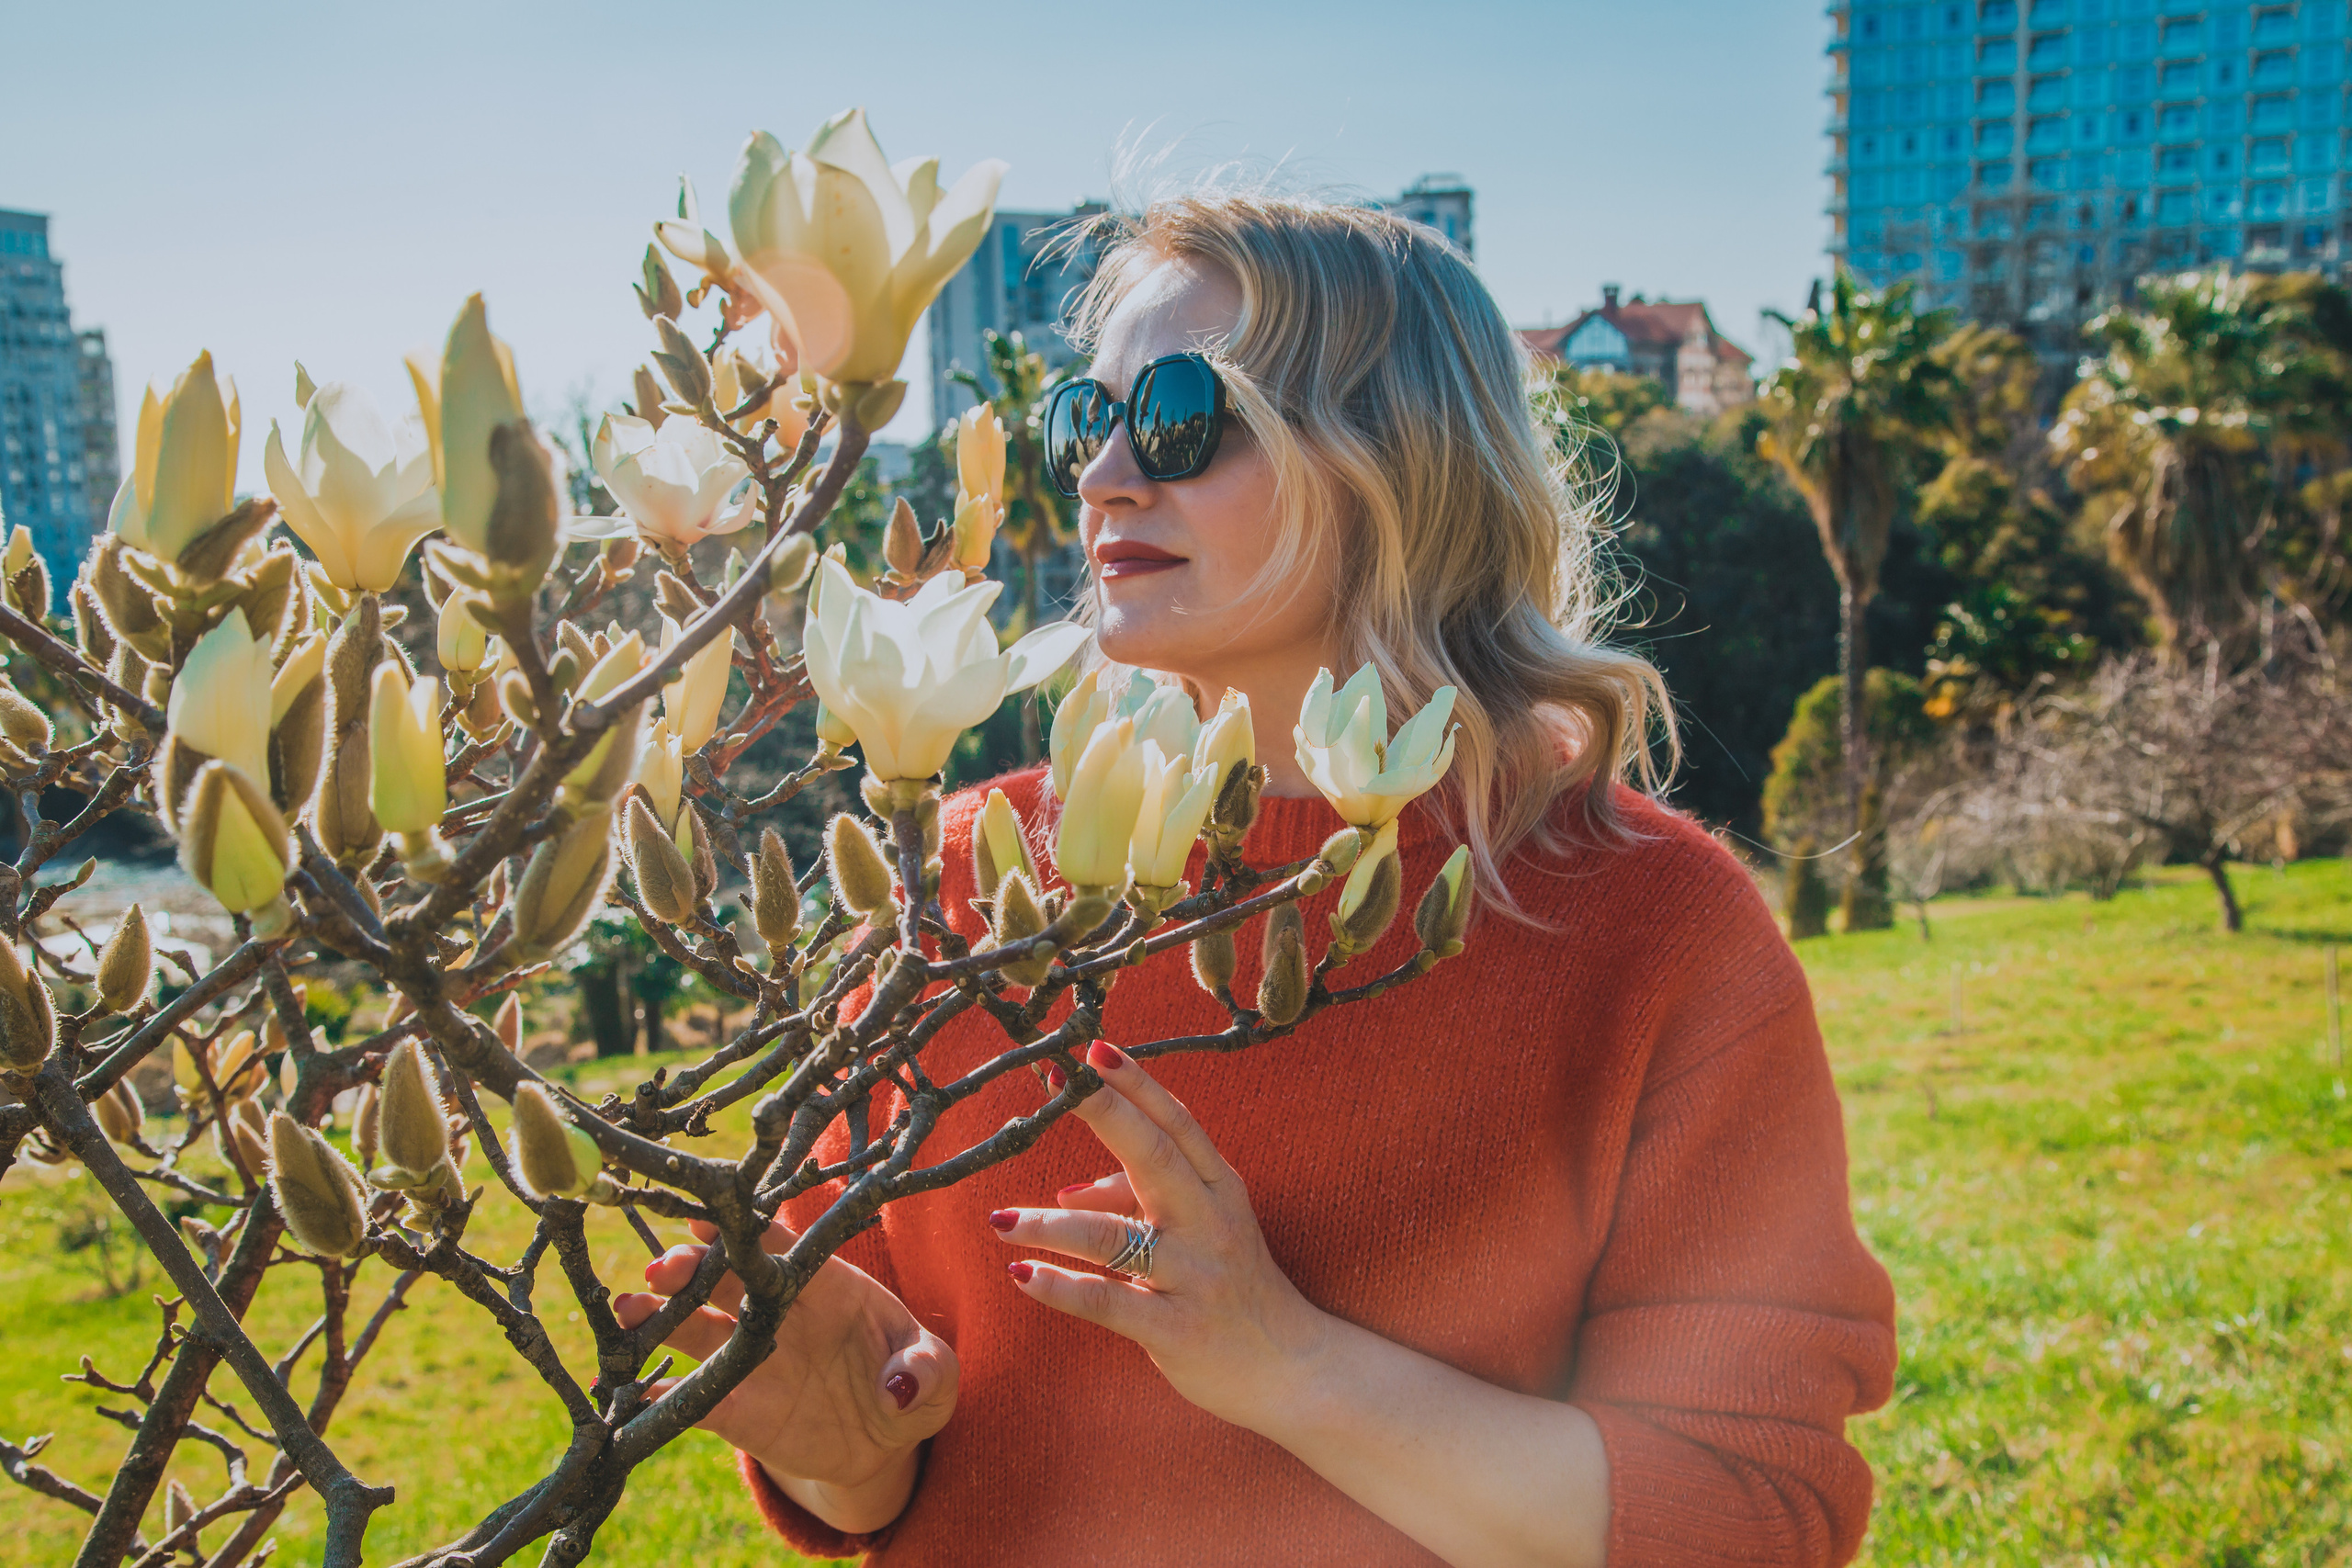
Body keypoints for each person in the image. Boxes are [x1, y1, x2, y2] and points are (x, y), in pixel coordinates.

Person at [614, 190, 1896, 1568]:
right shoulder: (961, 889)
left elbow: (1748, 1517)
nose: (1106, 477)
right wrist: (847, 1453)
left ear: (1397, 458)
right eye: (1083, 422)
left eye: (1175, 415)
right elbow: (880, 1434)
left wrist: (1290, 1366)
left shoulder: (1650, 929)